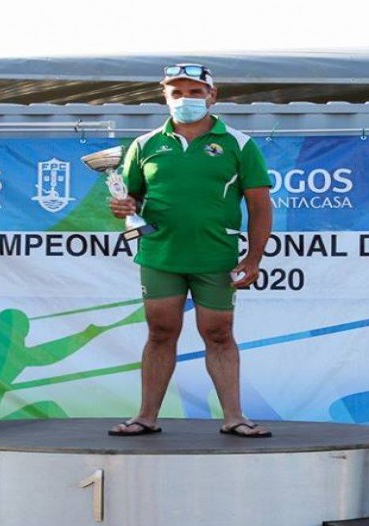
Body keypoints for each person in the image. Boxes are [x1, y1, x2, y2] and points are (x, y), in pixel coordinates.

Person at [107, 63, 273, 437]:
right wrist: (122, 206)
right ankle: (146, 416)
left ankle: (234, 417)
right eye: (176, 93)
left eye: (195, 92)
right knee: (161, 332)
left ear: (212, 96)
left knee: (218, 333)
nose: (186, 100)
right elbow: (128, 196)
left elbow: (260, 205)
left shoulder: (239, 144)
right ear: (165, 97)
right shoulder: (145, 144)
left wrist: (254, 258)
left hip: (215, 256)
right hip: (160, 255)